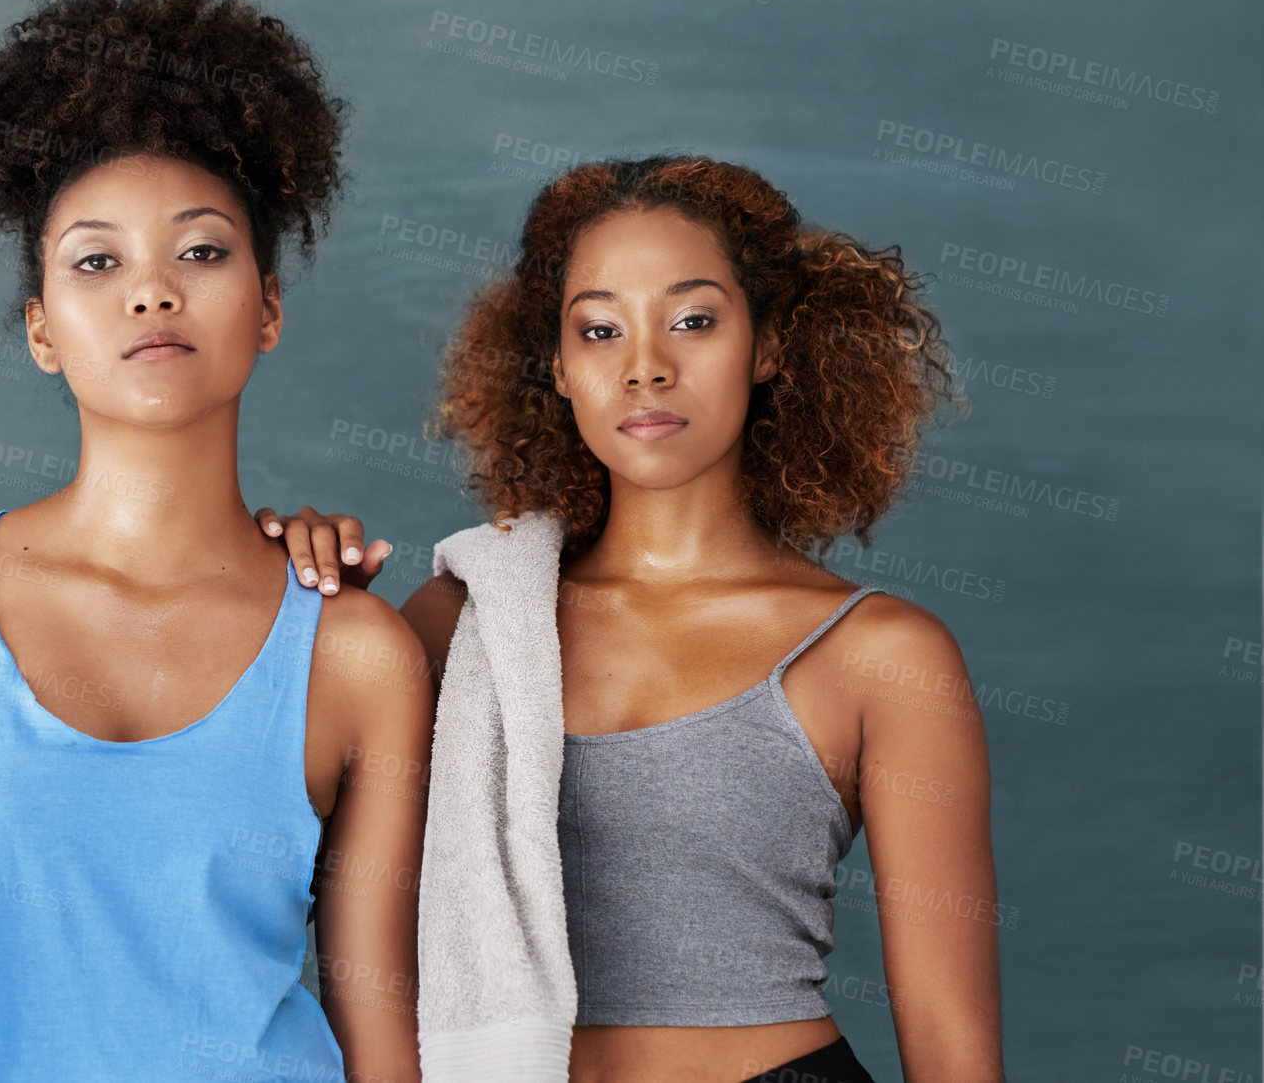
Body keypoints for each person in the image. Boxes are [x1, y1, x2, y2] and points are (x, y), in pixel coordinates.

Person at [0, 0, 433, 1083]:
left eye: (201, 251)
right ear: (41, 329)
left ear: (269, 307)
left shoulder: (357, 651)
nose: (152, 292)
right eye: (98, 261)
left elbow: (381, 1026)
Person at [259, 156, 1003, 1082]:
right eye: (600, 329)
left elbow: (949, 1044)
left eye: (693, 320)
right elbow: (287, 870)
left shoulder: (883, 655)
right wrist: (289, 595)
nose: (645, 366)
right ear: (560, 370)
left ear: (768, 343)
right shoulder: (467, 620)